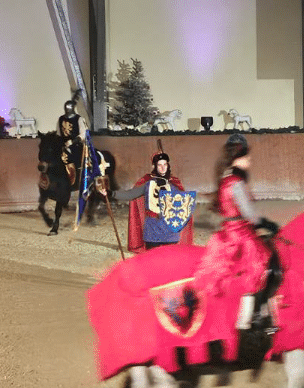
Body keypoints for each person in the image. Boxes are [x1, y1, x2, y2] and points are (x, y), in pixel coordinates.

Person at [193, 134, 279, 331]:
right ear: (238, 158)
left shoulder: (225, 179)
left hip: (227, 232)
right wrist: (267, 223)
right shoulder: (237, 183)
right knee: (262, 267)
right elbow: (249, 213)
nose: (250, 161)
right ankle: (252, 316)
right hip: (241, 235)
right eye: (247, 157)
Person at [110, 149, 195, 252]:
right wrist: (111, 193)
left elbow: (184, 206)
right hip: (152, 231)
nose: (163, 168)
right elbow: (130, 194)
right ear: (154, 166)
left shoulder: (174, 185)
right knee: (152, 259)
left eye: (165, 164)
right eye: (159, 165)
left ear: (168, 166)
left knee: (169, 260)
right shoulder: (148, 184)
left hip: (170, 233)